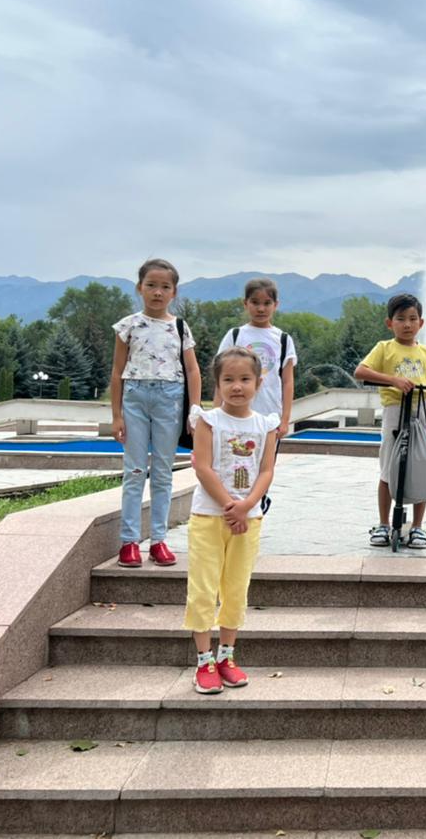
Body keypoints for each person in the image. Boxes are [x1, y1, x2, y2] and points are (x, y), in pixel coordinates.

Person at [184, 346, 279, 694]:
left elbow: (266, 470)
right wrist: (230, 505)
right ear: (218, 383)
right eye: (228, 379)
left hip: (248, 520)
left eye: (245, 379)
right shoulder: (209, 421)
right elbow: (203, 467)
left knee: (236, 589)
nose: (237, 386)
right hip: (209, 517)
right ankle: (204, 660)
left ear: (258, 382)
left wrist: (247, 506)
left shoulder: (265, 426)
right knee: (203, 589)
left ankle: (227, 656)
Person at [110, 258, 202, 568]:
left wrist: (194, 410)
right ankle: (129, 542)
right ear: (140, 288)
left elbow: (193, 370)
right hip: (135, 397)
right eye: (151, 285)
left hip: (170, 399)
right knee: (134, 471)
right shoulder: (128, 325)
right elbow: (117, 371)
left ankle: (159, 541)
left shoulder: (180, 327)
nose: (157, 292)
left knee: (162, 472)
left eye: (165, 287)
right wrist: (116, 415)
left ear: (174, 292)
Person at [353, 293, 426, 549]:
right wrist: (393, 380)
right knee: (388, 466)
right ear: (390, 323)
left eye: (412, 318)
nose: (407, 324)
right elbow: (361, 371)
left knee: (422, 465)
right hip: (395, 410)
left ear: (421, 323)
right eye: (400, 319)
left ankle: (418, 527)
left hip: (423, 411)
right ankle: (383, 524)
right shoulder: (384, 348)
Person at [215, 277, 297, 439]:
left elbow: (288, 382)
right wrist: (215, 414)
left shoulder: (283, 339)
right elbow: (219, 377)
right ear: (245, 303)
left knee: (266, 456)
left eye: (267, 303)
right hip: (234, 415)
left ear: (276, 305)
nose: (261, 309)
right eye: (255, 302)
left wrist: (285, 419)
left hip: (269, 415)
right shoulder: (235, 335)